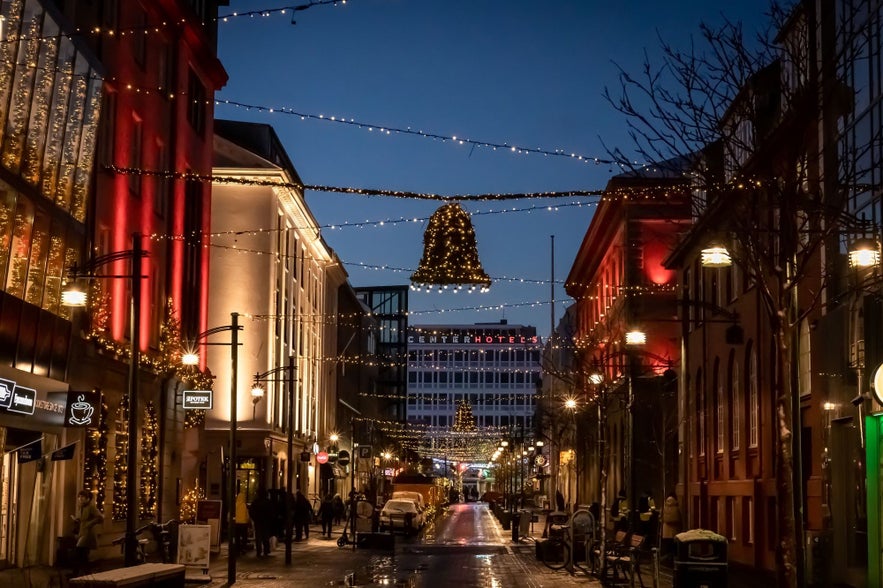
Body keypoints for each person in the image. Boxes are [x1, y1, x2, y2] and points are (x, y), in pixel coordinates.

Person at [71, 490, 104, 576]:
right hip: (83, 532)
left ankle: (76, 573)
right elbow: (83, 519)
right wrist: (77, 520)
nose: (80, 499)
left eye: (82, 497)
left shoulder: (91, 507)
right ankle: (85, 573)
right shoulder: (82, 507)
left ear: (87, 498)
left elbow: (100, 518)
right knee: (83, 554)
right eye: (79, 497)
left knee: (78, 551)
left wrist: (90, 523)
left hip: (88, 534)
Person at [248, 488, 274, 557]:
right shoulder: (268, 502)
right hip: (266, 521)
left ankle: (259, 551)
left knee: (258, 537)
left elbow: (251, 511)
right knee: (265, 536)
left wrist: (255, 518)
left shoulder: (256, 502)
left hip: (258, 521)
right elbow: (271, 512)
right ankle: (266, 550)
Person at [661, 492, 682, 560]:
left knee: (668, 546)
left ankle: (668, 558)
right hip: (674, 530)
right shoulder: (676, 508)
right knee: (674, 546)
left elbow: (661, 518)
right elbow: (678, 519)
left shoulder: (664, 507)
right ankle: (673, 559)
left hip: (666, 530)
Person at [234, 489, 250, 555]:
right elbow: (247, 515)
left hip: (236, 523)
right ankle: (243, 548)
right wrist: (248, 521)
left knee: (237, 537)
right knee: (244, 537)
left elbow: (230, 514)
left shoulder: (235, 505)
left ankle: (237, 548)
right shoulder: (244, 506)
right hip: (243, 524)